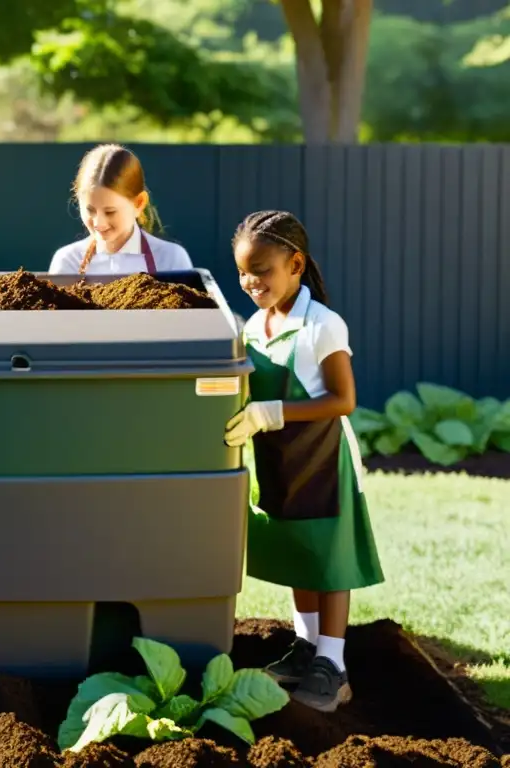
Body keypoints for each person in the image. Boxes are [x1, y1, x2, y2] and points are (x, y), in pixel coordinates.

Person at [223, 210, 384, 714]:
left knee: (328, 561)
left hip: (322, 462)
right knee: (299, 552)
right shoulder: (255, 325)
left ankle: (332, 665)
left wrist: (271, 412)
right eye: (243, 273)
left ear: (296, 264)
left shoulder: (322, 326)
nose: (251, 282)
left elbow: (343, 400)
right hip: (279, 462)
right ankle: (307, 647)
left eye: (262, 271)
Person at [48, 144, 193, 276]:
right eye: (90, 210)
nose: (99, 223)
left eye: (110, 212)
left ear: (139, 203)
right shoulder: (68, 263)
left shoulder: (171, 261)